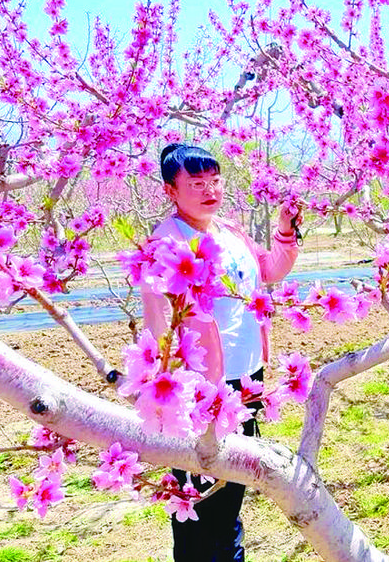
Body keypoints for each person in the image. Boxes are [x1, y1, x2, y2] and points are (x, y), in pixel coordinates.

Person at [141, 143, 302, 562]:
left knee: (232, 484)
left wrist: (285, 230)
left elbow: (269, 270)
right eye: (196, 184)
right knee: (200, 489)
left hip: (247, 374)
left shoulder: (229, 232)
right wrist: (175, 384)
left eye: (214, 181)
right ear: (170, 191)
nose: (209, 191)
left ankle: (228, 554)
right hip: (201, 384)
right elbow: (162, 321)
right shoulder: (167, 242)